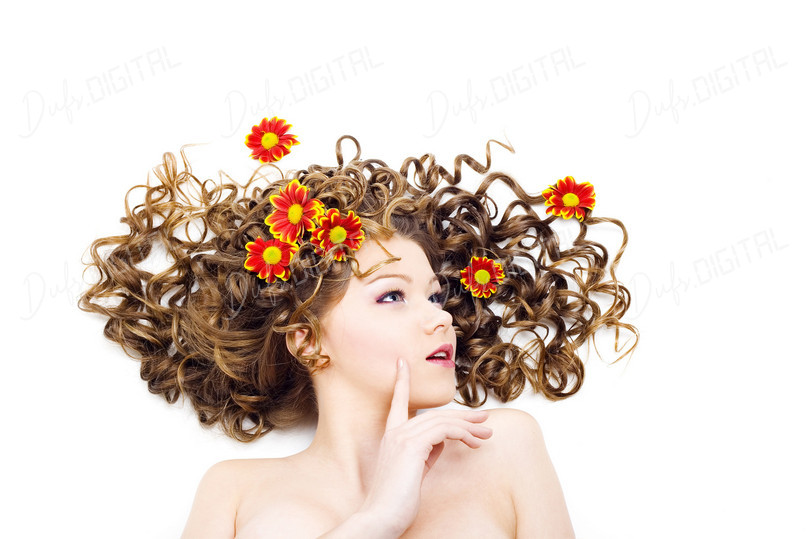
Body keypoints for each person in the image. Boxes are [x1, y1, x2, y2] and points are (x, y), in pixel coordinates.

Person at [80, 117, 637, 537]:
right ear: (306, 338)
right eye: (392, 295)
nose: (440, 316)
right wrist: (375, 521)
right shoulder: (233, 491)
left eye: (435, 294)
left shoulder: (502, 444)